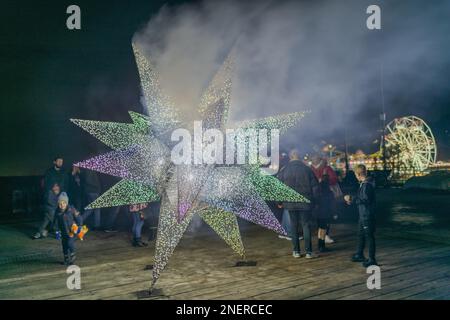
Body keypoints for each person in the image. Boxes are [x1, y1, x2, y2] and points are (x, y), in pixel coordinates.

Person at [278, 149, 320, 259]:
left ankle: (296, 251)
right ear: (300, 156)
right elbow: (315, 187)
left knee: (294, 225)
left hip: (290, 202)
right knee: (306, 226)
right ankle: (308, 252)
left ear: (290, 157)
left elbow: (279, 187)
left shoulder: (284, 170)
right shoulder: (307, 169)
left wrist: (279, 202)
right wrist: (315, 201)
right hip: (305, 202)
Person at [344, 164, 378, 267]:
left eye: (355, 174)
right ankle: (359, 254)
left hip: (367, 214)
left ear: (358, 174)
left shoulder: (367, 185)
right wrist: (353, 199)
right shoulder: (365, 183)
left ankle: (372, 259)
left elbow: (366, 200)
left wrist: (352, 198)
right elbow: (362, 197)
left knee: (369, 236)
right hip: (363, 214)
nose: (355, 176)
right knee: (361, 234)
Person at [311, 155, 339, 244]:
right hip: (316, 195)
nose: (313, 159)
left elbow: (334, 179)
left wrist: (323, 181)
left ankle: (325, 236)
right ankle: (322, 237)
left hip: (325, 194)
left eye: (314, 158)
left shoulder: (327, 168)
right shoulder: (310, 168)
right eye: (312, 158)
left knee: (325, 216)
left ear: (319, 159)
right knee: (320, 217)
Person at [54, 192, 83, 266]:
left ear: (66, 203)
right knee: (64, 245)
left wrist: (79, 226)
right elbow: (55, 223)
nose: (62, 205)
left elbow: (79, 218)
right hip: (64, 232)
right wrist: (57, 231)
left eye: (64, 203)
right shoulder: (57, 212)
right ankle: (66, 257)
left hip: (72, 231)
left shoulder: (71, 209)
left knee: (69, 243)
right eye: (60, 203)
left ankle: (73, 255)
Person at [317, 172, 334, 252]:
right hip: (325, 212)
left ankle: (319, 244)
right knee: (324, 229)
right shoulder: (329, 192)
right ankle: (322, 246)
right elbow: (332, 204)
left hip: (318, 212)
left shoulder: (318, 191)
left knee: (320, 229)